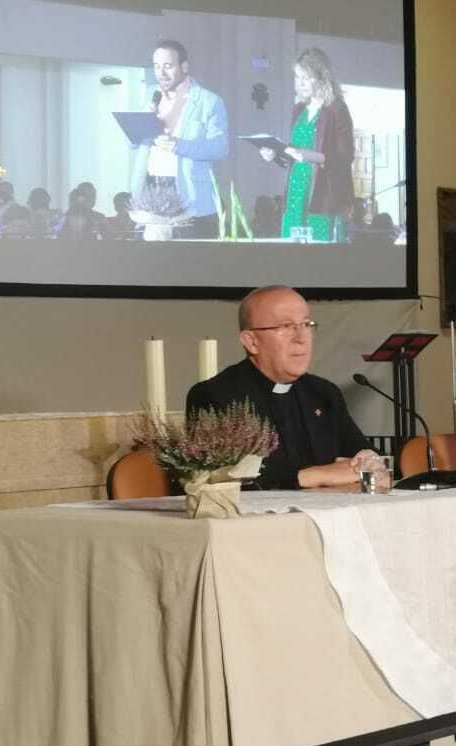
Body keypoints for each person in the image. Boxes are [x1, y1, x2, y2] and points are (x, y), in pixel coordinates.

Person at [186, 285, 375, 489]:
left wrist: (370, 463)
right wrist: (316, 475)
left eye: (306, 324)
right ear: (251, 342)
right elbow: (221, 479)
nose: (301, 338)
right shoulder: (215, 395)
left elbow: (362, 457)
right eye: (286, 327)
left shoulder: (323, 393)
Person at [131, 39, 229, 239]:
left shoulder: (209, 101)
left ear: (184, 66)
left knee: (184, 260)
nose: (161, 73)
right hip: (150, 187)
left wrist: (179, 145)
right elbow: (134, 142)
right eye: (157, 66)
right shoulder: (151, 94)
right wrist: (140, 124)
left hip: (186, 191)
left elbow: (220, 148)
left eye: (168, 66)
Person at [259, 48, 355, 243]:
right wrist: (275, 156)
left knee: (320, 260)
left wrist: (313, 156)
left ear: (321, 77)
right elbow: (294, 155)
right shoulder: (299, 109)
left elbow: (346, 157)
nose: (298, 83)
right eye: (296, 77)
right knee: (292, 257)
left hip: (322, 195)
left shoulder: (337, 109)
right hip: (295, 194)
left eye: (305, 77)